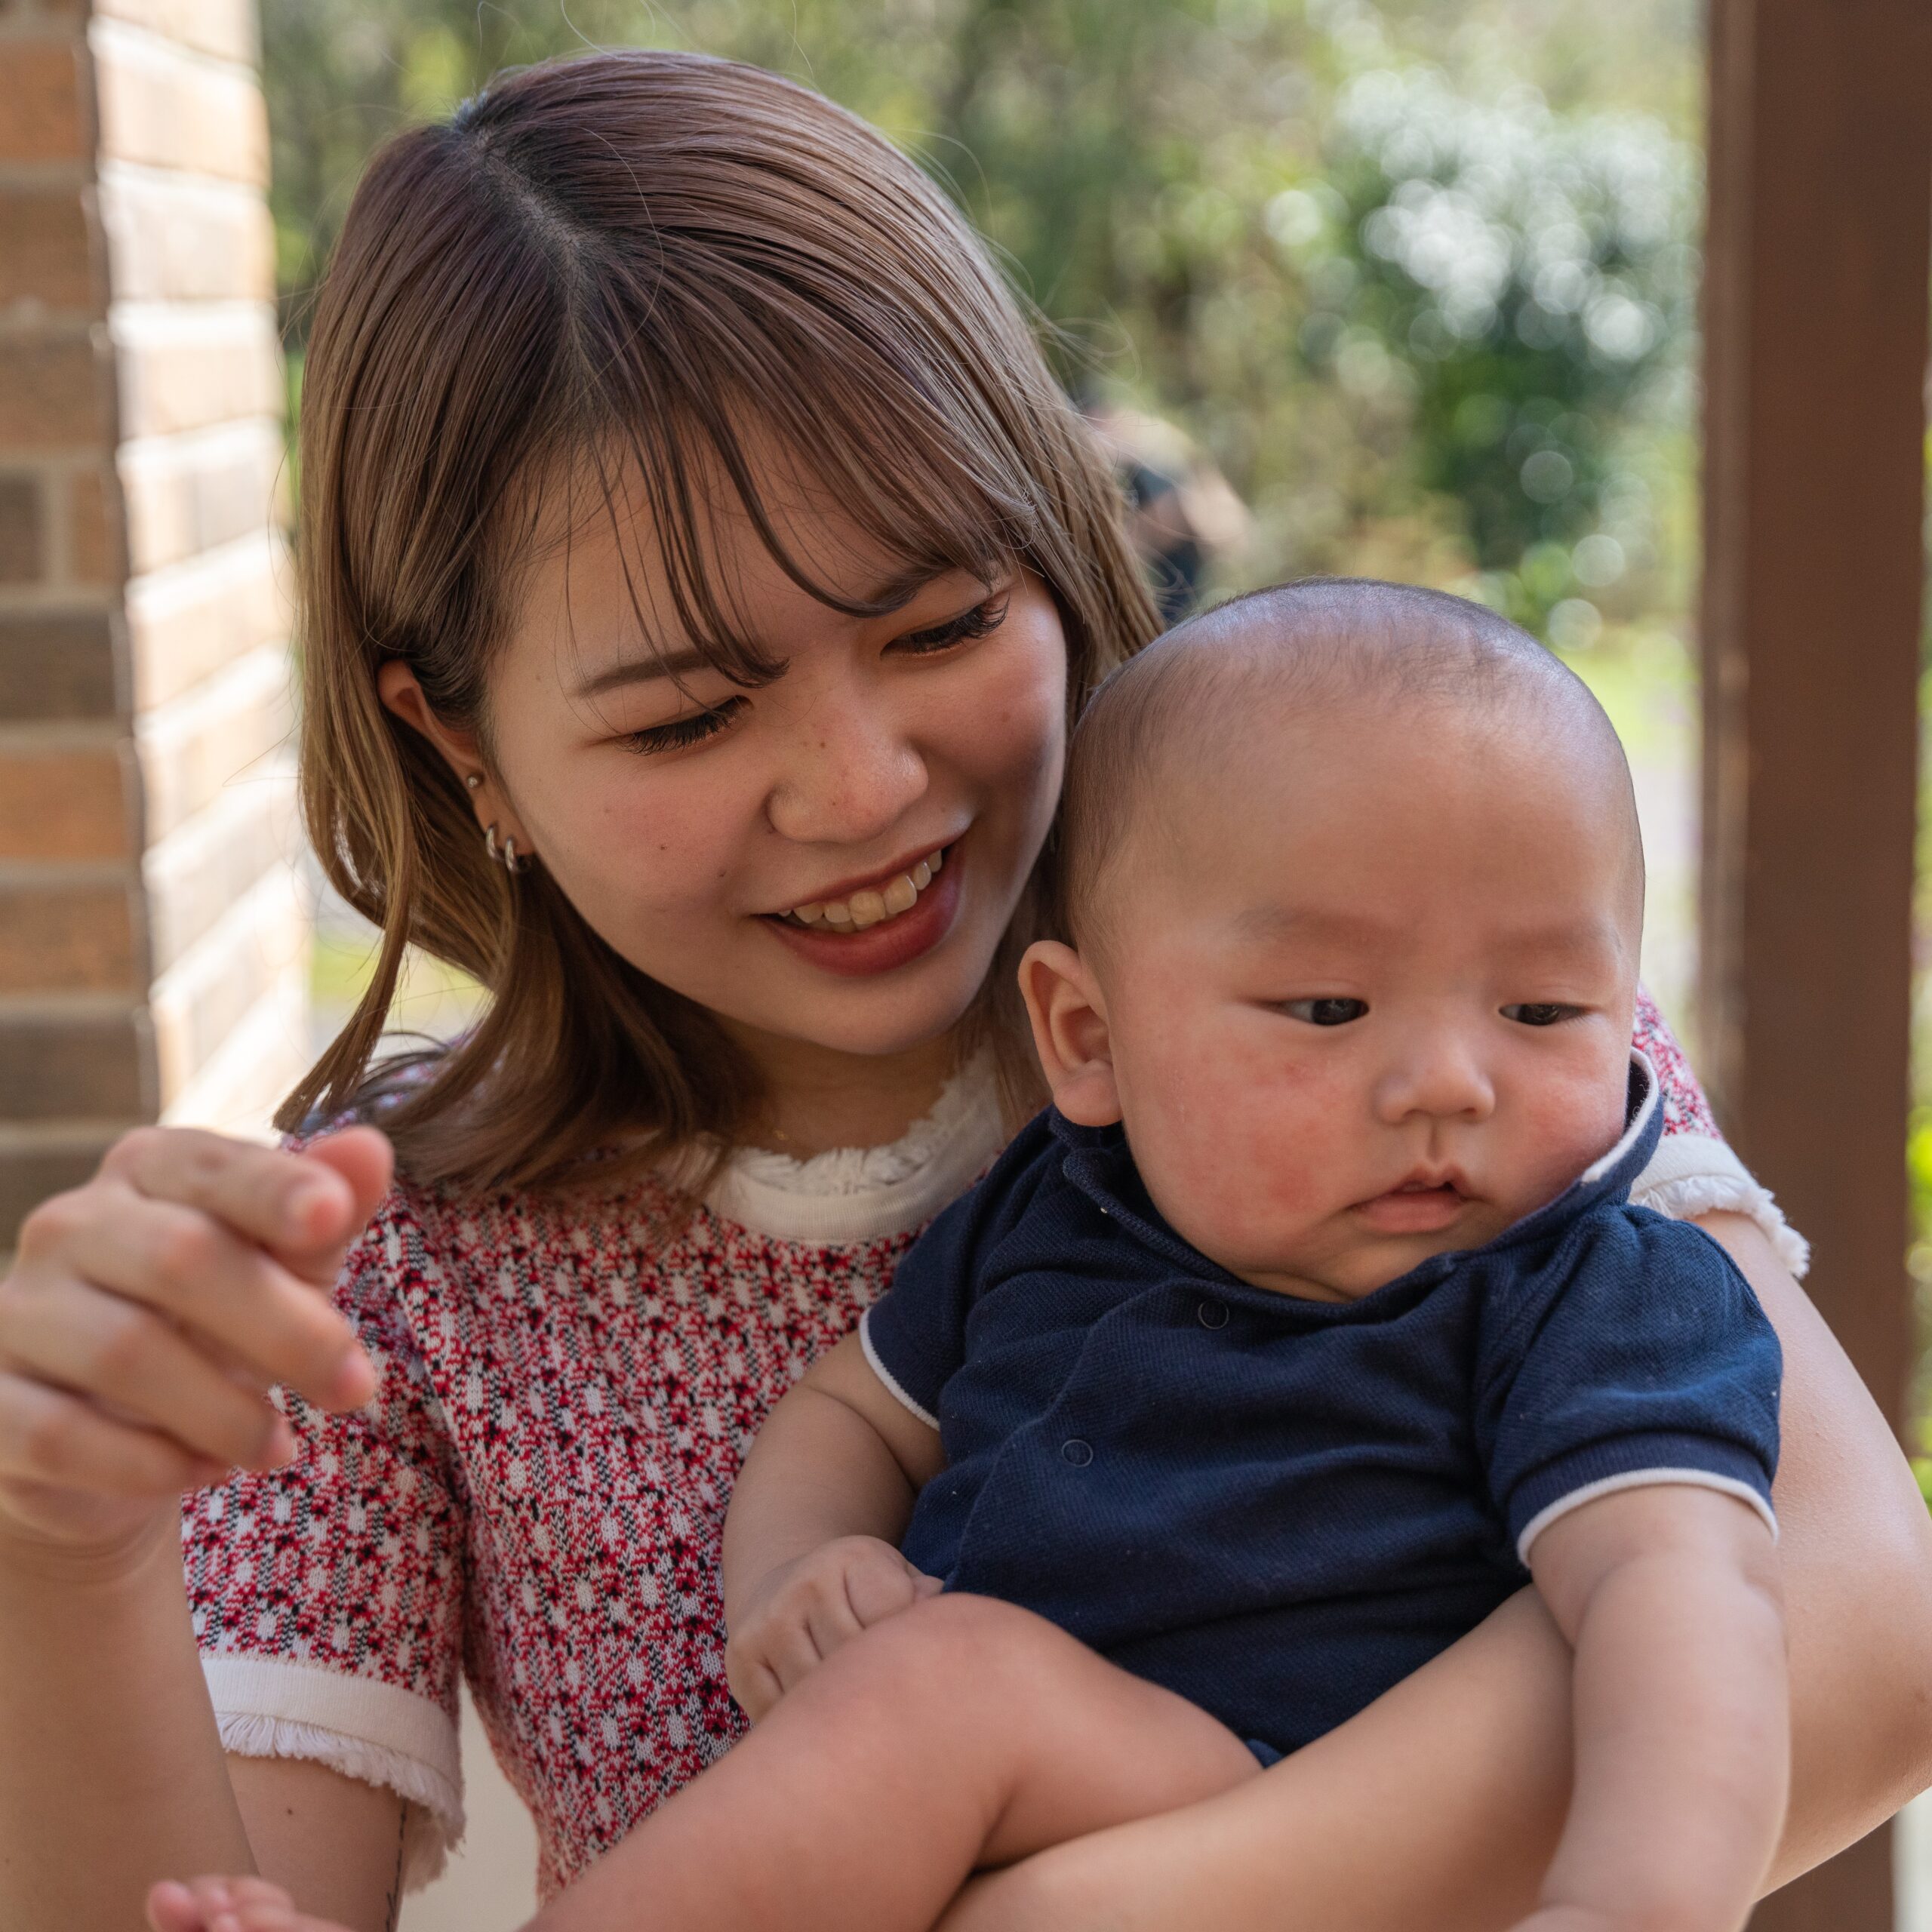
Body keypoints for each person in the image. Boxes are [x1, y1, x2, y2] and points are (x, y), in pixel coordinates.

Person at [0, 48, 1921, 1932]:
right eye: (684, 711)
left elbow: (1857, 1630)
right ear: (463, 746)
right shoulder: (400, 1267)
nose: (862, 791)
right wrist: (65, 1545)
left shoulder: (1397, 1005)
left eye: (937, 622)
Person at [151, 580, 1792, 1932]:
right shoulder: (1063, 1208)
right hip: (1047, 1787)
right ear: (1085, 1035)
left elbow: (1683, 1592)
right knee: (934, 1684)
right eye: (1323, 1009)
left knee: (952, 1686)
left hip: (1304, 1791)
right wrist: (789, 1572)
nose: (1451, 1076)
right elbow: (849, 1415)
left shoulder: (1588, 1277)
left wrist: (1632, 1898)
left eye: (1543, 1009)